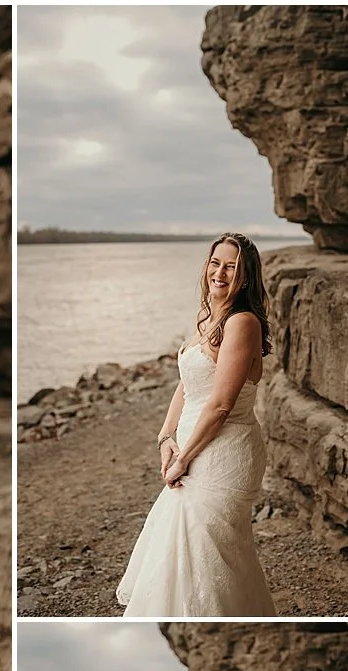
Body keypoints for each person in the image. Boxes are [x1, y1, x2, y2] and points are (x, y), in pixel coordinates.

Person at [116, 233, 280, 617]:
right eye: (215, 262)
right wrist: (166, 437)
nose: (220, 272)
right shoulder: (207, 316)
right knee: (180, 547)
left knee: (208, 547)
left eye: (231, 266)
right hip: (193, 442)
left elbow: (221, 404)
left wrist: (184, 457)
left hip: (224, 450)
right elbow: (188, 383)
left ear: (245, 277)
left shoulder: (242, 323)